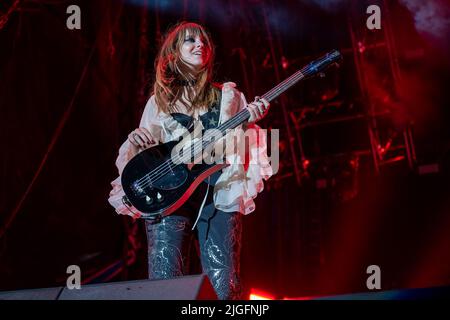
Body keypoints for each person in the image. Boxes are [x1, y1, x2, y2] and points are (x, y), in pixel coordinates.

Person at [108, 21, 273, 300]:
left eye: (204, 41)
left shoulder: (230, 97)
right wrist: (137, 142)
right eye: (190, 41)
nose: (200, 45)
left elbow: (239, 150)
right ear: (173, 53)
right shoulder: (157, 102)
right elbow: (147, 155)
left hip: (217, 191)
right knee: (165, 286)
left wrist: (249, 123)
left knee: (225, 286)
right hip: (169, 195)